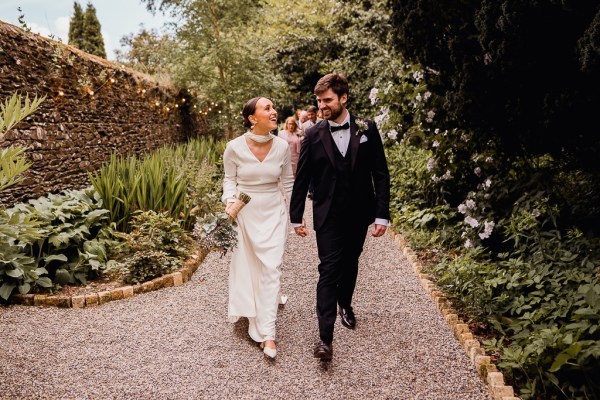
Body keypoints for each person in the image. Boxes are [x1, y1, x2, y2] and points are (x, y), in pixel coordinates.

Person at [289, 73, 390, 362]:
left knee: (351, 262)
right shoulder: (312, 135)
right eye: (319, 101)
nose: (322, 106)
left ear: (343, 98)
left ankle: (345, 303)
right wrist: (297, 216)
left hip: (359, 212)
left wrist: (382, 215)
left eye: (328, 100)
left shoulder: (367, 128)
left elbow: (380, 174)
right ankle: (324, 339)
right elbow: (302, 177)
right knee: (329, 269)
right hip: (328, 215)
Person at [222, 96, 294, 359]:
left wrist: (296, 217)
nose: (274, 112)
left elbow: (288, 184)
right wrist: (230, 201)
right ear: (253, 118)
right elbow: (229, 179)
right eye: (267, 108)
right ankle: (255, 312)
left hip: (274, 213)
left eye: (273, 107)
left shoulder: (283, 147)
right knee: (252, 266)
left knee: (272, 268)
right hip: (245, 212)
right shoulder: (233, 147)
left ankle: (268, 333)